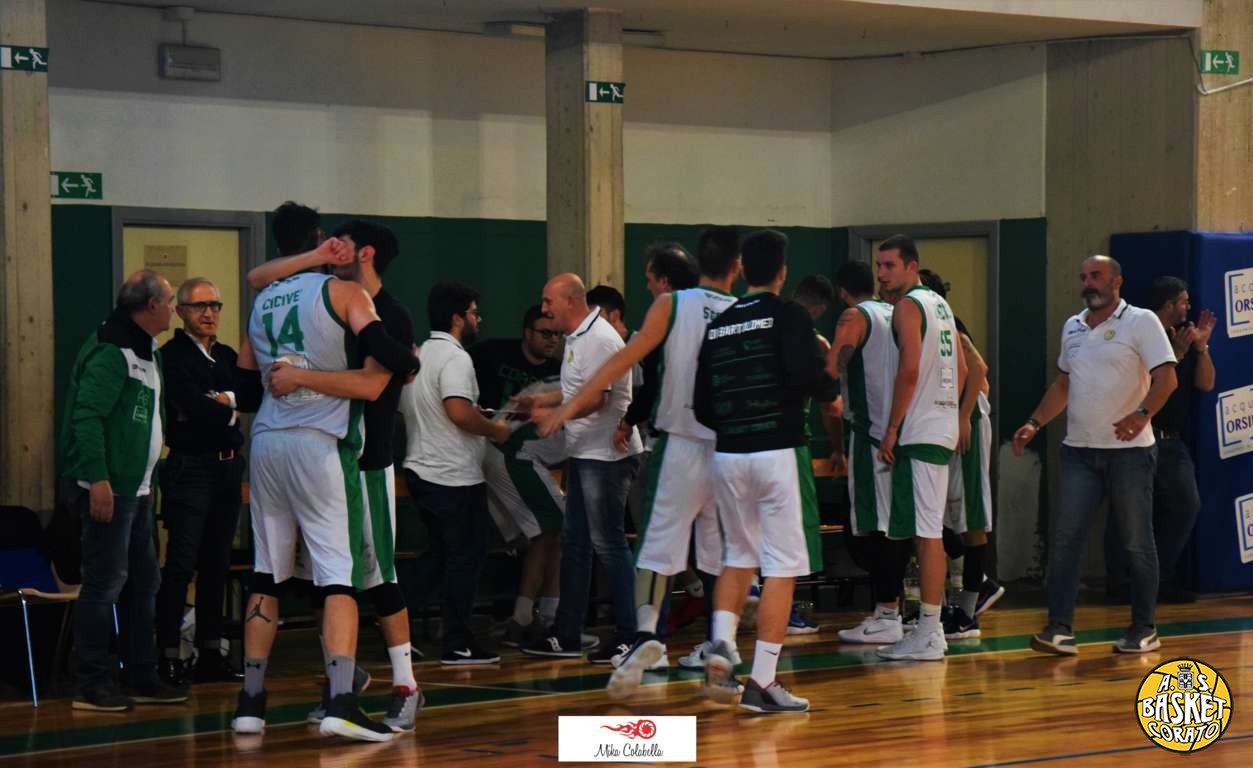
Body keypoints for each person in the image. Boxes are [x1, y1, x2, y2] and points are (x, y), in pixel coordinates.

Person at [536, 228, 741, 698]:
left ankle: (646, 637)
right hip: (727, 447)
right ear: (737, 267)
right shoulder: (739, 311)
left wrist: (566, 411)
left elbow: (625, 365)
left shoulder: (670, 307)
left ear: (665, 280)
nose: (648, 287)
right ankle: (723, 650)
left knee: (655, 549)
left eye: (650, 279)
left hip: (679, 444)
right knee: (718, 556)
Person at [230, 236, 419, 741]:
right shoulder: (345, 295)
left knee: (268, 575)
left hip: (269, 442)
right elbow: (387, 366)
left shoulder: (263, 302)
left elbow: (245, 389)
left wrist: (291, 376)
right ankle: (342, 699)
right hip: (323, 445)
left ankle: (251, 703)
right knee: (340, 579)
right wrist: (409, 361)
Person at [693, 229, 839, 713]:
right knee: (781, 568)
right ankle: (762, 682)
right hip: (775, 452)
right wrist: (830, 388)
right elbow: (805, 375)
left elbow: (702, 404)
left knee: (738, 557)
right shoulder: (789, 315)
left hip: (728, 456)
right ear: (782, 272)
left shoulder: (720, 324)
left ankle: (720, 652)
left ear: (742, 270)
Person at [1014, 255, 1177, 655]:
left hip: (1130, 455)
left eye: (1096, 276)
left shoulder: (1141, 321)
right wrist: (1035, 423)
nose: (1088, 283)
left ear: (1117, 281)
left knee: (1136, 542)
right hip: (1079, 453)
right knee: (1066, 541)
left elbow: (1166, 379)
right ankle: (1059, 629)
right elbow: (1063, 385)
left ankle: (1144, 627)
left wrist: (1142, 414)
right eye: (1084, 277)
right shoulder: (1072, 325)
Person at [60, 270, 188, 712]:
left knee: (145, 581)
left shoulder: (146, 350)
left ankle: (140, 675)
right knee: (104, 584)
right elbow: (87, 418)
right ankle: (92, 683)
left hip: (137, 489)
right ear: (151, 306)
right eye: (169, 301)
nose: (173, 310)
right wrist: (98, 479)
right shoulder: (111, 350)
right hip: (109, 489)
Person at [520, 274, 644, 664]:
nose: (544, 309)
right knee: (575, 544)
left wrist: (557, 416)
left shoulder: (600, 339)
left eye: (548, 301)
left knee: (609, 544)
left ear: (572, 301)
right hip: (585, 453)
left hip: (607, 457)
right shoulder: (579, 337)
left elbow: (597, 398)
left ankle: (631, 635)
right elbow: (580, 390)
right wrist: (545, 399)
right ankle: (567, 634)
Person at [873, 235, 967, 663]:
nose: (882, 274)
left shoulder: (909, 306)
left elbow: (909, 369)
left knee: (928, 536)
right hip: (939, 426)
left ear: (912, 266)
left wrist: (893, 427)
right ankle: (928, 628)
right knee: (926, 532)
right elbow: (962, 368)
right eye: (879, 266)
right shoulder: (940, 305)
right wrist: (950, 412)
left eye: (890, 265)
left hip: (921, 429)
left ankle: (930, 631)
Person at [154, 277, 245, 686]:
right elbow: (189, 403)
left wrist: (224, 402)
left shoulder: (226, 355)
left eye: (215, 306)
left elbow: (252, 395)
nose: (209, 313)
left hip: (228, 467)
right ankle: (169, 653)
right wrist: (226, 407)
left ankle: (211, 651)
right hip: (190, 468)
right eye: (199, 306)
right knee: (181, 563)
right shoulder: (171, 356)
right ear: (181, 312)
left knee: (217, 563)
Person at [1104, 277, 1215, 604]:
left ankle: (1157, 579)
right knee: (1125, 511)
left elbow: (1206, 384)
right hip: (1137, 436)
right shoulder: (1140, 334)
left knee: (1185, 505)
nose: (1188, 307)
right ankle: (1121, 582)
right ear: (1168, 305)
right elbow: (1151, 383)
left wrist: (1201, 348)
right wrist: (1177, 353)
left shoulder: (1184, 337)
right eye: (1183, 302)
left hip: (1171, 442)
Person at [468, 305, 568, 647]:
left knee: (547, 533)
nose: (552, 340)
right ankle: (532, 618)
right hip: (501, 451)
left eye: (557, 334)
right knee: (551, 528)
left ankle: (531, 617)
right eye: (545, 333)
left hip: (516, 455)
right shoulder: (489, 353)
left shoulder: (561, 373)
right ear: (527, 332)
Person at [826, 260, 911, 646]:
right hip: (902, 432)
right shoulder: (898, 312)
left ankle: (888, 612)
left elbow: (831, 368)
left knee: (871, 532)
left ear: (842, 291)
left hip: (871, 435)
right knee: (894, 528)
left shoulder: (854, 316)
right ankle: (891, 609)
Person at [916, 269, 1001, 640]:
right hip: (944, 422)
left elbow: (980, 371)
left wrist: (964, 417)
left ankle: (968, 610)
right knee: (937, 515)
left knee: (970, 516)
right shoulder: (921, 325)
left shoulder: (949, 324)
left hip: (966, 422)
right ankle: (980, 584)